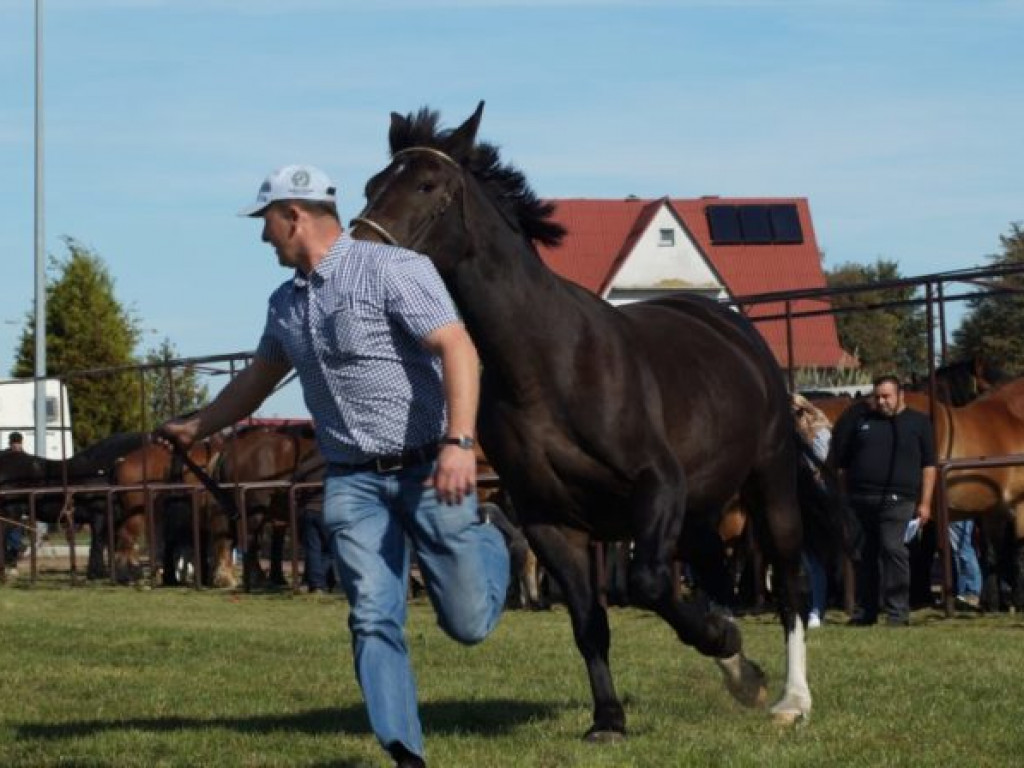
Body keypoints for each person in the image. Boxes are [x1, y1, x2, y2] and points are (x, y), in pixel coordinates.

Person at [156, 165, 510, 768]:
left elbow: (457, 346)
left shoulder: (395, 270)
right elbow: (258, 380)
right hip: (352, 480)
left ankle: (492, 540)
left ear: (294, 216)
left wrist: (459, 442)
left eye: (265, 222)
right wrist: (199, 426)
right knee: (372, 613)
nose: (262, 236)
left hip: (427, 468)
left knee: (469, 621)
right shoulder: (285, 304)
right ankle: (405, 751)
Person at [832, 375, 937, 627]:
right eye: (877, 396)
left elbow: (929, 465)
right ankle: (866, 611)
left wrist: (925, 503)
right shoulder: (862, 422)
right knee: (864, 555)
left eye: (886, 396)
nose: (881, 401)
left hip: (898, 499)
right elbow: (843, 464)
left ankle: (898, 612)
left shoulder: (918, 423)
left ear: (900, 395)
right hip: (861, 500)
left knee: (893, 550)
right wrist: (845, 497)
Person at [791, 393, 831, 629]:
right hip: (794, 498)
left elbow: (821, 466)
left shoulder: (820, 434)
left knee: (814, 559)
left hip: (815, 499)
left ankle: (818, 607)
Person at [949, 518, 981, 609]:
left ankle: (971, 591)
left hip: (958, 512)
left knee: (963, 550)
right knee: (961, 551)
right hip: (962, 512)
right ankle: (965, 592)